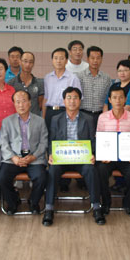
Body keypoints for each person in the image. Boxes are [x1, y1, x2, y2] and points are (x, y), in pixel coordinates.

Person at [42, 87, 105, 226]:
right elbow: (51, 140)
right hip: (62, 158)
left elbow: (93, 140)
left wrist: (93, 154)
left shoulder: (88, 119)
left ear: (80, 101)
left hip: (82, 159)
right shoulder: (55, 119)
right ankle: (49, 209)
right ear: (64, 101)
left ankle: (96, 207)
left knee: (91, 170)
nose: (72, 101)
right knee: (52, 170)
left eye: (75, 97)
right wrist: (51, 154)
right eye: (69, 98)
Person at [0, 90, 48, 215]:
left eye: (24, 101)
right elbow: (3, 143)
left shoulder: (40, 121)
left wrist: (33, 156)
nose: (21, 105)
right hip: (13, 159)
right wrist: (13, 157)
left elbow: (44, 142)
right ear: (14, 104)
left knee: (42, 177)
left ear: (30, 103)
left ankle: (34, 202)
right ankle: (13, 202)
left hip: (34, 158)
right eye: (18, 102)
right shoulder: (7, 121)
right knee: (2, 177)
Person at [96, 87, 130, 217]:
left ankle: (128, 203)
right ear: (109, 100)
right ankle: (106, 202)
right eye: (114, 97)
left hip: (127, 158)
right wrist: (102, 156)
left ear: (125, 99)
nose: (118, 100)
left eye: (121, 97)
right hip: (108, 158)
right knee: (100, 170)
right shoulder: (102, 117)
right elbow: (99, 139)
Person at [43, 47, 82, 128]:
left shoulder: (73, 78)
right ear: (52, 60)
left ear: (66, 61)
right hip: (50, 112)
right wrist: (43, 117)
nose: (58, 61)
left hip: (65, 112)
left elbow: (78, 100)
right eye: (56, 58)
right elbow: (45, 99)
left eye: (61, 58)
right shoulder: (47, 78)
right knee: (49, 135)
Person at [75, 45, 111, 127]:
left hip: (101, 115)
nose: (95, 61)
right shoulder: (79, 76)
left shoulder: (106, 78)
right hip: (83, 114)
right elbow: (76, 97)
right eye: (92, 58)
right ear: (88, 59)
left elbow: (108, 98)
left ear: (101, 59)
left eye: (98, 58)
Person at [7, 51, 44, 116]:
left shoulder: (39, 83)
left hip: (35, 119)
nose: (28, 64)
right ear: (20, 62)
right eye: (25, 61)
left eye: (31, 62)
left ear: (33, 64)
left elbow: (40, 105)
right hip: (17, 119)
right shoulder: (11, 83)